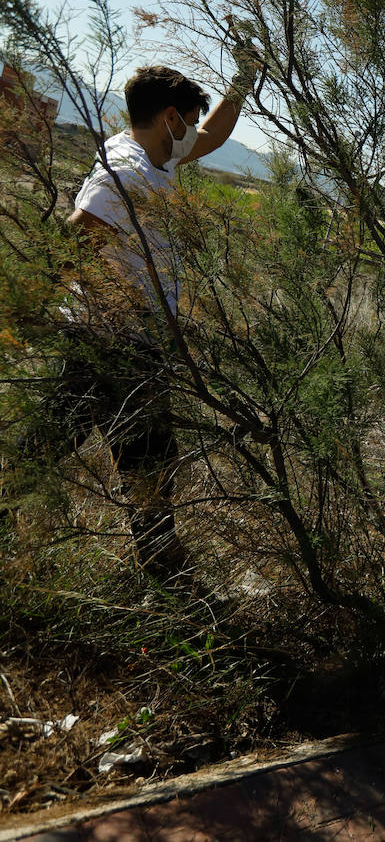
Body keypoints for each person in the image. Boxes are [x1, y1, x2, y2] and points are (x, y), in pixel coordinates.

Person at [3, 53, 257, 583]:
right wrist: (21, 312)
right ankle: (165, 572)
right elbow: (77, 234)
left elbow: (209, 137)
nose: (191, 132)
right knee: (150, 459)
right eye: (186, 120)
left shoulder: (143, 152)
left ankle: (158, 562)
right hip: (115, 341)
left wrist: (244, 80)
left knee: (48, 446)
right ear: (169, 117)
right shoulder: (126, 174)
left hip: (112, 338)